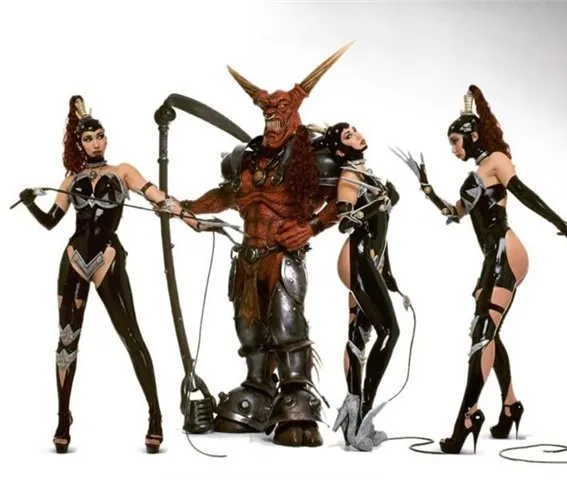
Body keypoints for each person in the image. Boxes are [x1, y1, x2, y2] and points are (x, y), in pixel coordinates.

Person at [176, 44, 352, 447]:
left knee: (287, 327)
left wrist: (311, 227)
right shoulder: (248, 159)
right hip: (248, 257)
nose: (272, 113)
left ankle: (296, 395)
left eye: (280, 108)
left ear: (294, 114)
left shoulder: (311, 159)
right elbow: (226, 196)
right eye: (267, 108)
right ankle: (258, 389)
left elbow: (344, 199)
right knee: (249, 330)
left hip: (281, 257)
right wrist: (183, 206)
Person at [393, 84, 567, 454]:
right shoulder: (477, 172)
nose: (453, 149)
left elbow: (523, 192)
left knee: (482, 335)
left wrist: (562, 223)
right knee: (487, 334)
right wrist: (427, 189)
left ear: (472, 135)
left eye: (455, 141)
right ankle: (511, 406)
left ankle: (466, 419)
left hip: (505, 250)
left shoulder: (496, 159)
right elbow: (455, 212)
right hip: (490, 257)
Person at [17, 95, 210, 454]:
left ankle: (155, 415)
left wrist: (192, 220)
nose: (95, 143)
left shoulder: (122, 171)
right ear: (79, 144)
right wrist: (30, 202)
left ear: (106, 138)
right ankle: (63, 418)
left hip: (107, 257)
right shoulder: (71, 178)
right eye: (88, 139)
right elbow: (51, 221)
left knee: (131, 335)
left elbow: (159, 198)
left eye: (100, 136)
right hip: (74, 258)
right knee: (66, 342)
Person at [311, 123, 401, 451]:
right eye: (348, 136)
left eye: (354, 130)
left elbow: (381, 230)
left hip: (369, 259)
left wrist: (387, 270)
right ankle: (363, 413)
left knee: (359, 335)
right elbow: (346, 219)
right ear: (340, 150)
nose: (357, 135)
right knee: (389, 331)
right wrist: (376, 204)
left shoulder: (365, 174)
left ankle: (355, 420)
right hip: (356, 257)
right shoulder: (350, 176)